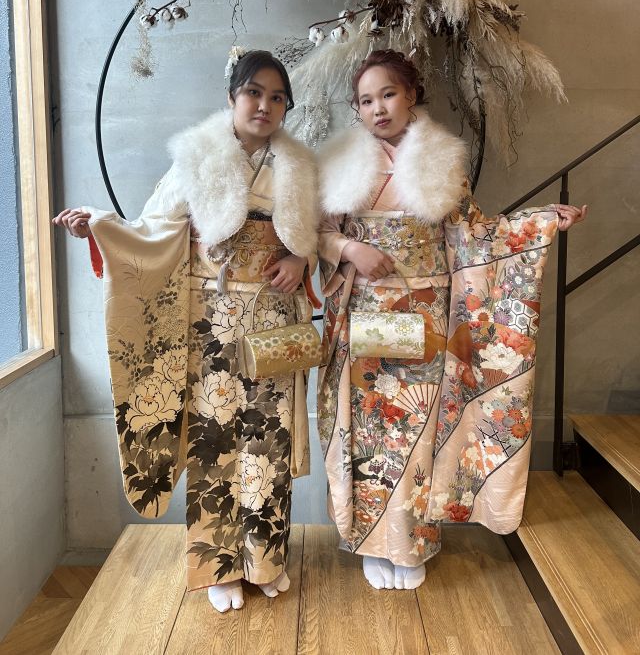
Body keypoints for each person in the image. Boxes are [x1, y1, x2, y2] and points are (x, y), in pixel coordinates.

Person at [54, 49, 319, 612]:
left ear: (286, 107)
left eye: (277, 97)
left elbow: (312, 238)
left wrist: (302, 260)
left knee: (266, 442)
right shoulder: (198, 159)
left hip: (273, 320)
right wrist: (100, 227)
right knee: (214, 439)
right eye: (253, 93)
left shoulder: (298, 166)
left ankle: (265, 559)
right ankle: (219, 566)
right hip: (211, 324)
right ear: (231, 98)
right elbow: (151, 229)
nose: (265, 105)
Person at [316, 49, 586, 591]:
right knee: (369, 433)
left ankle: (410, 544)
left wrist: (539, 224)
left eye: (388, 94)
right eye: (365, 101)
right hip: (362, 313)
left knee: (419, 431)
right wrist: (348, 248)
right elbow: (314, 234)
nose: (378, 109)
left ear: (411, 94)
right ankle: (370, 543)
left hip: (426, 315)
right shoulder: (341, 162)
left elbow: (478, 235)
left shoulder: (442, 161)